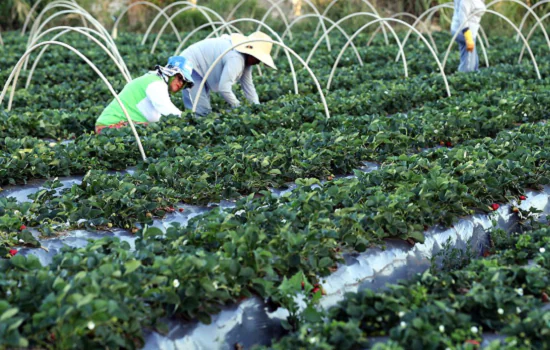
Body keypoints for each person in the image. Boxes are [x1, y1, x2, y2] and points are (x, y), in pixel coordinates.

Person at [178, 31, 276, 116]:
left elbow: (248, 86)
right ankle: (190, 132)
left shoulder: (246, 61)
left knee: (202, 110)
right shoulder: (236, 59)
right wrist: (238, 106)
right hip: (189, 65)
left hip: (200, 67)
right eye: (258, 58)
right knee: (200, 111)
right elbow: (224, 88)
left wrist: (256, 107)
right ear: (252, 54)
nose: (259, 62)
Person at [95, 56, 194, 134]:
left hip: (117, 125)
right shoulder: (156, 83)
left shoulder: (156, 81)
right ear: (171, 73)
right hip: (109, 126)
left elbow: (155, 116)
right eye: (179, 78)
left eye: (184, 81)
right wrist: (188, 120)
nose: (181, 83)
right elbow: (167, 109)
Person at [451, 0, 486, 73]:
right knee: (469, 63)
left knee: (472, 60)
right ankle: (464, 79)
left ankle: (471, 75)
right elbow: (462, 16)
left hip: (466, 31)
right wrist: (467, 34)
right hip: (464, 31)